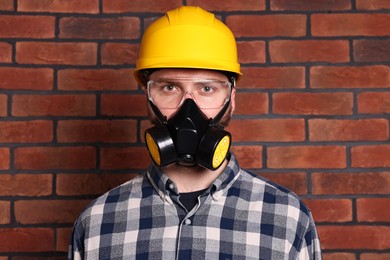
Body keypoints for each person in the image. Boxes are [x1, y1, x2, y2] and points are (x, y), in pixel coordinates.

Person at [69, 6, 322, 259]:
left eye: (207, 89)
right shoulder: (97, 221)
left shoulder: (287, 217)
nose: (188, 108)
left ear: (231, 98)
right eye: (169, 87)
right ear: (147, 97)